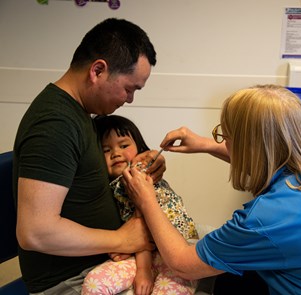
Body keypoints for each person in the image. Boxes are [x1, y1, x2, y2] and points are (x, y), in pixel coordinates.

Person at [122, 84, 301, 295]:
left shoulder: (267, 219)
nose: (223, 142)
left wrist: (146, 199)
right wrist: (205, 144)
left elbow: (182, 264)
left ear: (252, 146)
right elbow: (273, 158)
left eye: (225, 136)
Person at [13, 18, 165, 294]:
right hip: (72, 281)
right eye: (129, 88)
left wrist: (145, 163)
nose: (129, 99)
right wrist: (121, 240)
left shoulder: (81, 114)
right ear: (98, 70)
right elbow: (35, 231)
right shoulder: (55, 124)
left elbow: (89, 177)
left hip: (105, 263)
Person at [81, 115, 198, 295]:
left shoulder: (136, 178)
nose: (115, 153)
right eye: (105, 149)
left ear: (139, 147)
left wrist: (144, 272)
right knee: (94, 283)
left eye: (124, 145)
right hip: (143, 254)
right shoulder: (112, 184)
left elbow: (142, 226)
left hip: (177, 250)